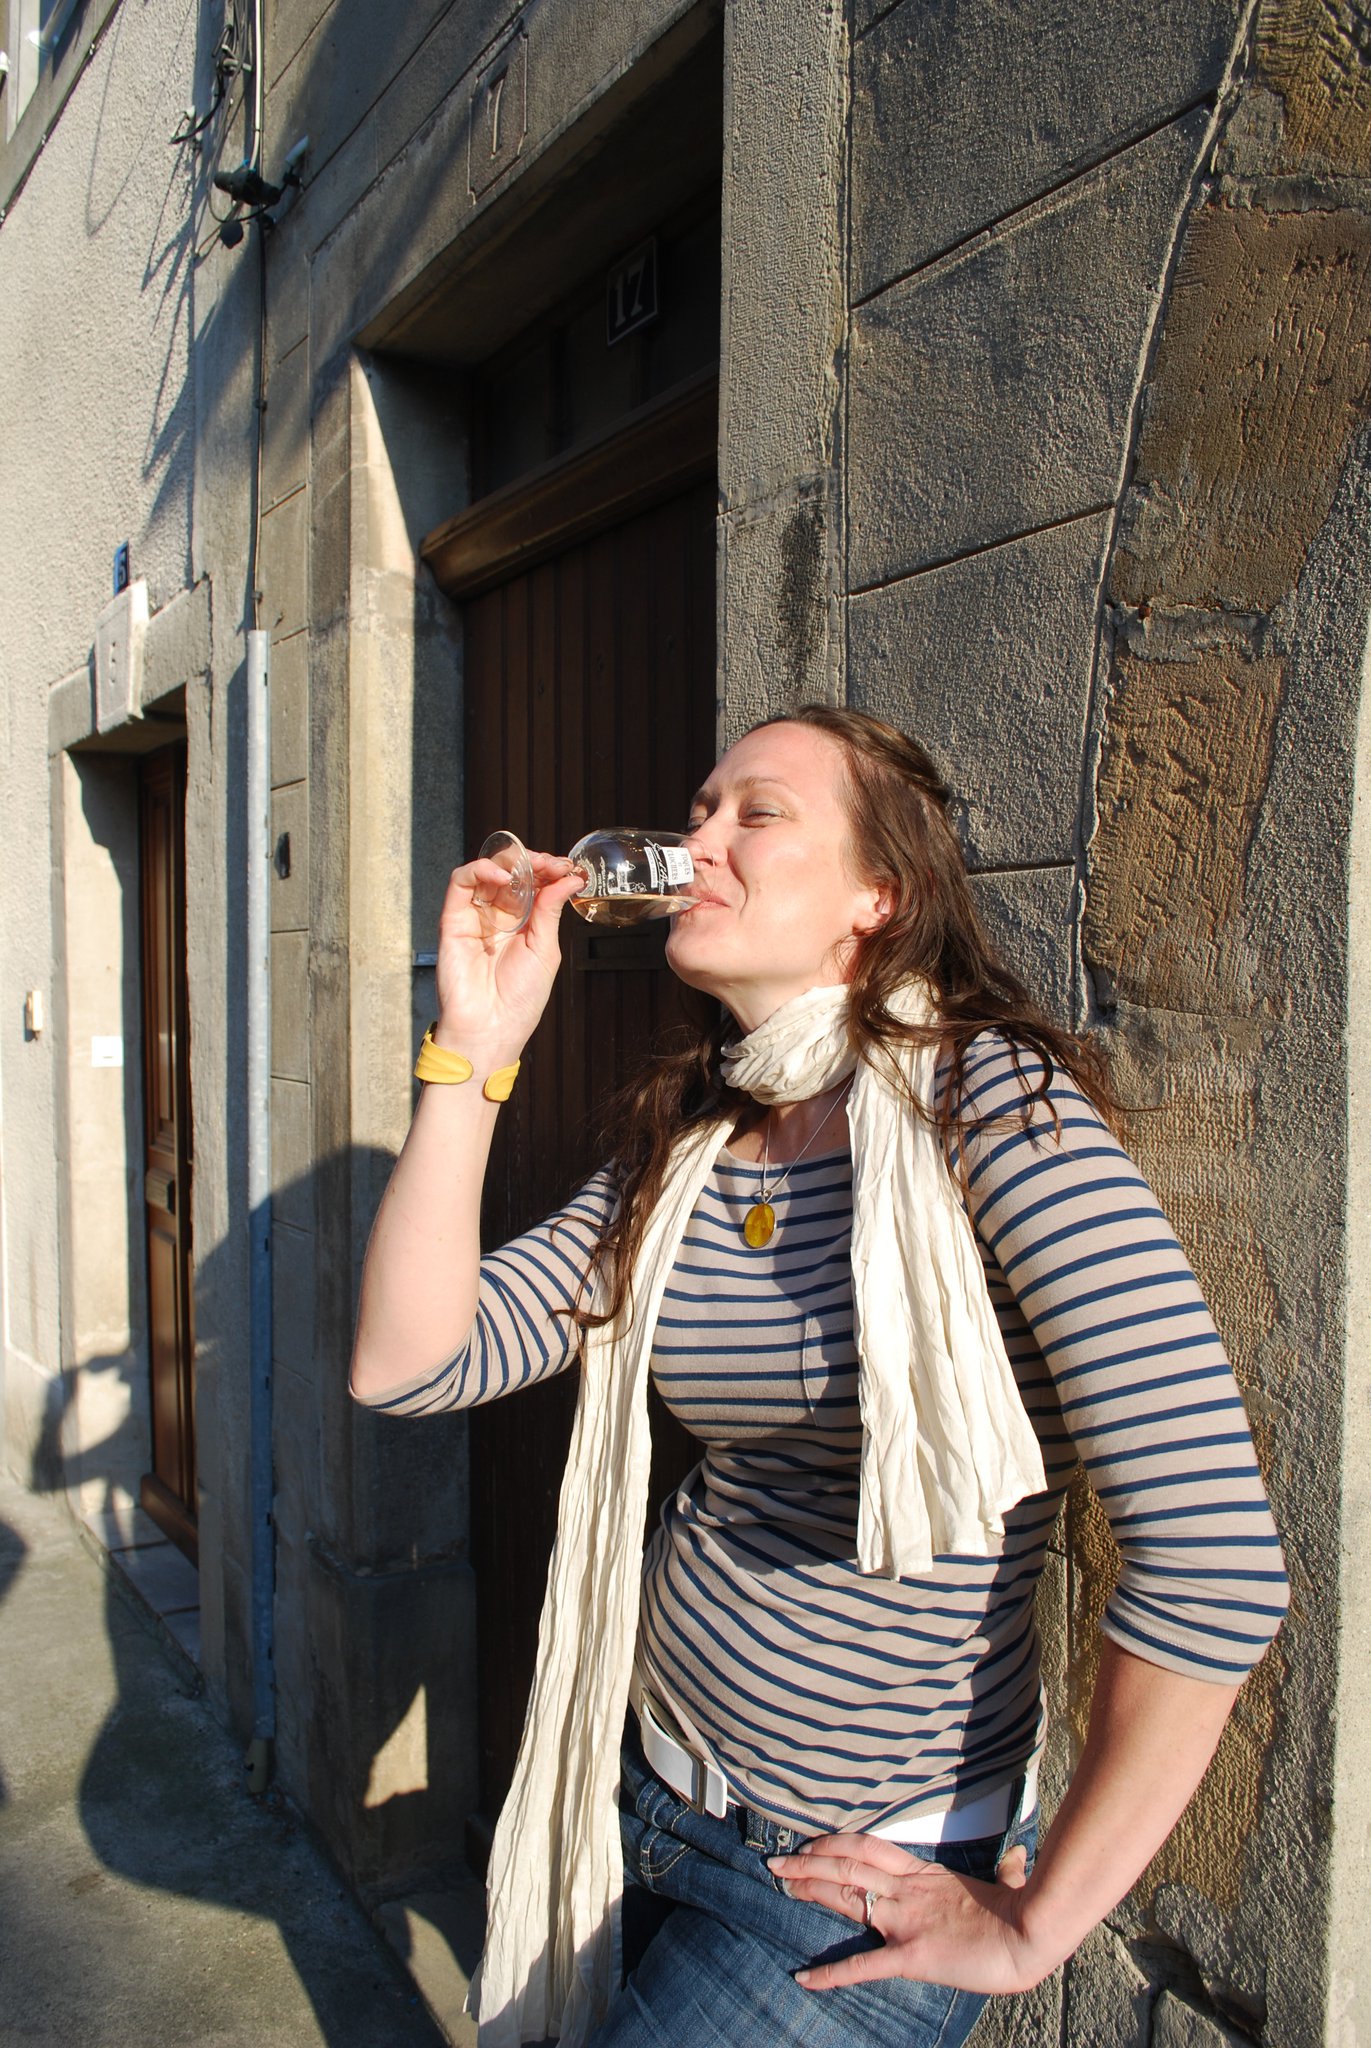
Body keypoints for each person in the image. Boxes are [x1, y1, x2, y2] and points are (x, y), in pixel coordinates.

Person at [350, 705, 1288, 2048]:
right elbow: (414, 1359)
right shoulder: (689, 1144)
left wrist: (1033, 1929)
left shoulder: (995, 1115)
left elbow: (1214, 1561)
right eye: (700, 808)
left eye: (756, 813)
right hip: (646, 1796)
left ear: (877, 896)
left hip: (851, 1883)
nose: (699, 840)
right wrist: (474, 1049)